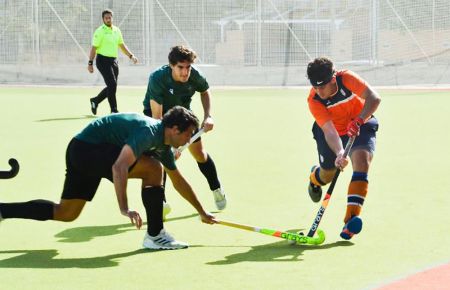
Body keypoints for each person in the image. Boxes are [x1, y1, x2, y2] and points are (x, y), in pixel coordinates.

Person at [0, 106, 217, 250]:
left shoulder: (164, 143)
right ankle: (155, 235)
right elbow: (119, 166)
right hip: (88, 149)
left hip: (80, 150)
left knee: (66, 213)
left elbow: (178, 180)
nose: (190, 139)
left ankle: (3, 211)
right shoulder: (149, 132)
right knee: (153, 168)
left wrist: (201, 211)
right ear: (174, 129)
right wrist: (125, 208)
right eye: (189, 133)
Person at [142, 45, 227, 215]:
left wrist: (208, 115)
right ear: (172, 65)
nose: (185, 72)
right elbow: (157, 118)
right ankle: (161, 201)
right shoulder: (158, 78)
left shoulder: (194, 75)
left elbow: (205, 91)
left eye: (188, 67)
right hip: (157, 116)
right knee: (159, 160)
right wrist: (169, 147)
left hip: (182, 116)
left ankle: (216, 188)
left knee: (199, 154)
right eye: (180, 67)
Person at [306, 57, 381, 240]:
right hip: (333, 132)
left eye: (322, 86)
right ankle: (315, 178)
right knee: (328, 174)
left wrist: (359, 120)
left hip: (361, 121)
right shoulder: (314, 99)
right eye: (315, 87)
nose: (319, 91)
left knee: (362, 162)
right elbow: (329, 131)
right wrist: (340, 152)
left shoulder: (347, 79)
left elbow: (374, 98)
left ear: (332, 79)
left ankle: (350, 220)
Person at [87, 9, 138, 114]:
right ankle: (114, 110)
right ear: (103, 19)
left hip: (113, 61)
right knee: (112, 84)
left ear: (112, 18)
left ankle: (95, 101)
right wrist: (90, 63)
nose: (108, 19)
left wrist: (131, 56)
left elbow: (122, 45)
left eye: (110, 17)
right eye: (106, 18)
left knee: (112, 86)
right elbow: (94, 48)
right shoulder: (99, 31)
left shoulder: (116, 30)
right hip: (102, 60)